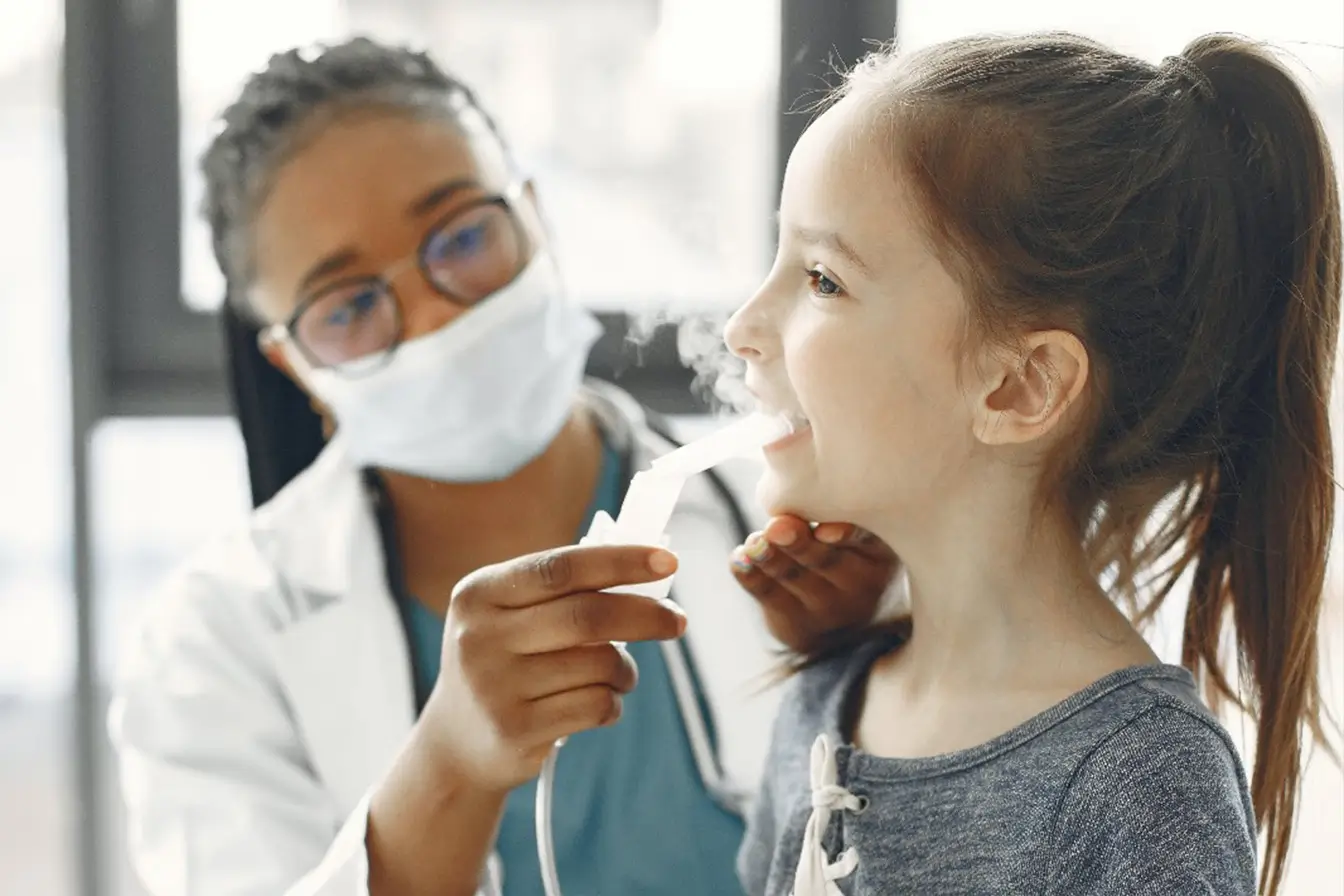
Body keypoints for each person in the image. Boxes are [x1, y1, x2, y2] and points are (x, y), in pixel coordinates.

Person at [108, 38, 901, 896]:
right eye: (349, 306)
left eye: (462, 236)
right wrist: (448, 766)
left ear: (536, 217)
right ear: (296, 366)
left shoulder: (797, 521)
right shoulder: (215, 642)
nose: (431, 317)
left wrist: (862, 665)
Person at [725, 32, 1339, 896]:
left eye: (823, 279)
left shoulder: (1139, 788)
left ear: (1021, 386)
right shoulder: (823, 707)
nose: (742, 326)